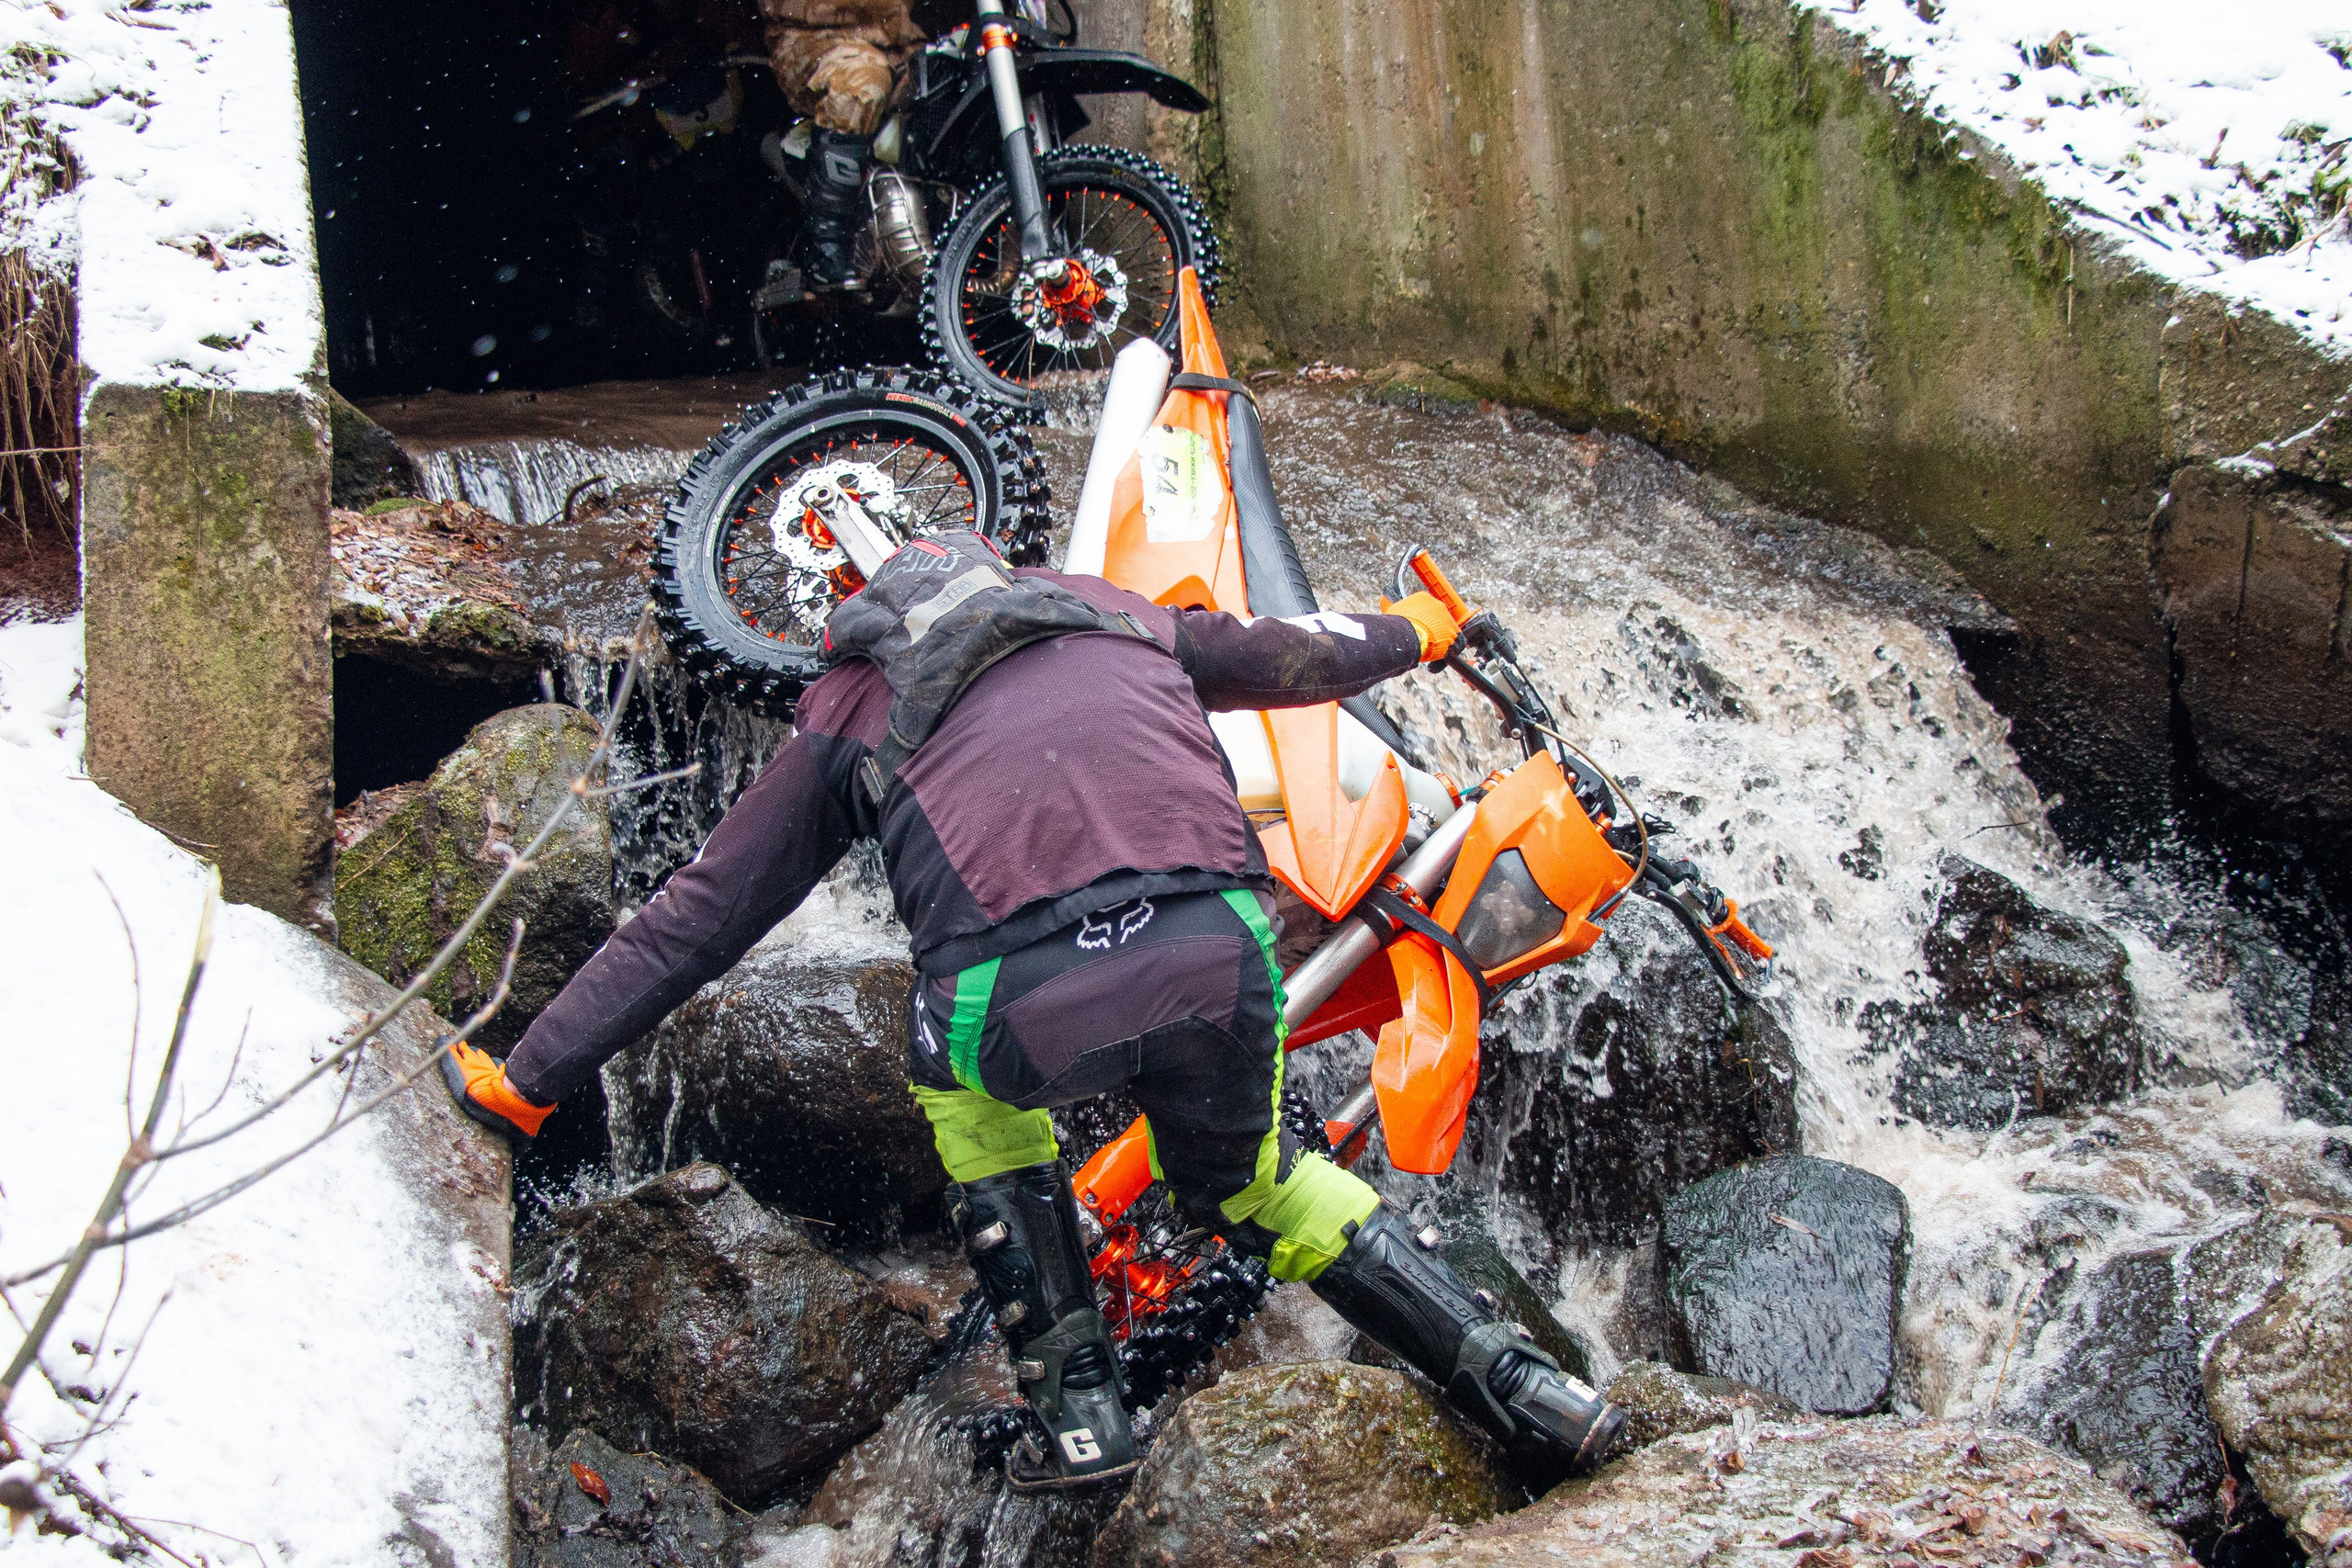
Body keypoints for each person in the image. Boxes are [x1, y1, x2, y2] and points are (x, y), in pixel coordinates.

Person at [444, 530, 1625, 1489]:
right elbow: (1300, 654)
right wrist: (1423, 630)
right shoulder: (1112, 609)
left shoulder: (850, 704)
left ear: (863, 616)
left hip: (1014, 1007)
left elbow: (701, 916)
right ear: (998, 569)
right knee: (1259, 1184)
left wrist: (531, 1078)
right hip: (1217, 956)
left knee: (971, 1098)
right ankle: (1529, 1392)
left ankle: (1083, 1418)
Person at [756, 0, 933, 287]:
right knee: (863, 85)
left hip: (897, 38)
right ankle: (828, 246)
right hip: (817, 39)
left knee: (953, 72)